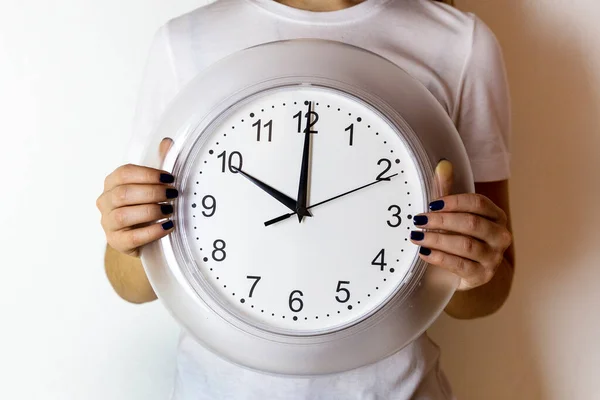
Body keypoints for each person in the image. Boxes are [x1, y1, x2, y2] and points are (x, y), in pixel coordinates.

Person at [96, 0, 515, 398]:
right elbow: (131, 284)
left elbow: (487, 294)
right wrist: (127, 229)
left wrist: (473, 264)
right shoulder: (185, 41)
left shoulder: (461, 43)